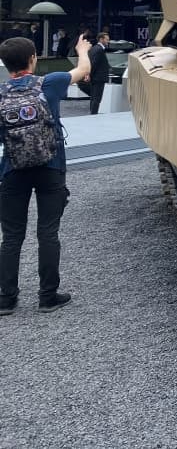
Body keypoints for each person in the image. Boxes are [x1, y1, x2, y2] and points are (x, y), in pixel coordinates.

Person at [0, 34, 92, 314]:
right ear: (33, 59)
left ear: (5, 64)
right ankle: (47, 296)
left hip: (13, 170)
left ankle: (6, 299)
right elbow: (83, 70)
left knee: (11, 237)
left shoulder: (1, 93)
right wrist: (81, 49)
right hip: (51, 168)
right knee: (48, 233)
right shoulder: (49, 83)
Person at [87, 31, 111, 114]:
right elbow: (94, 64)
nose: (108, 41)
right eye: (107, 39)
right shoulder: (99, 50)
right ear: (101, 39)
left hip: (95, 77)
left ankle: (92, 113)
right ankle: (93, 114)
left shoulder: (94, 48)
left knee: (93, 97)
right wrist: (89, 74)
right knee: (97, 98)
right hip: (98, 77)